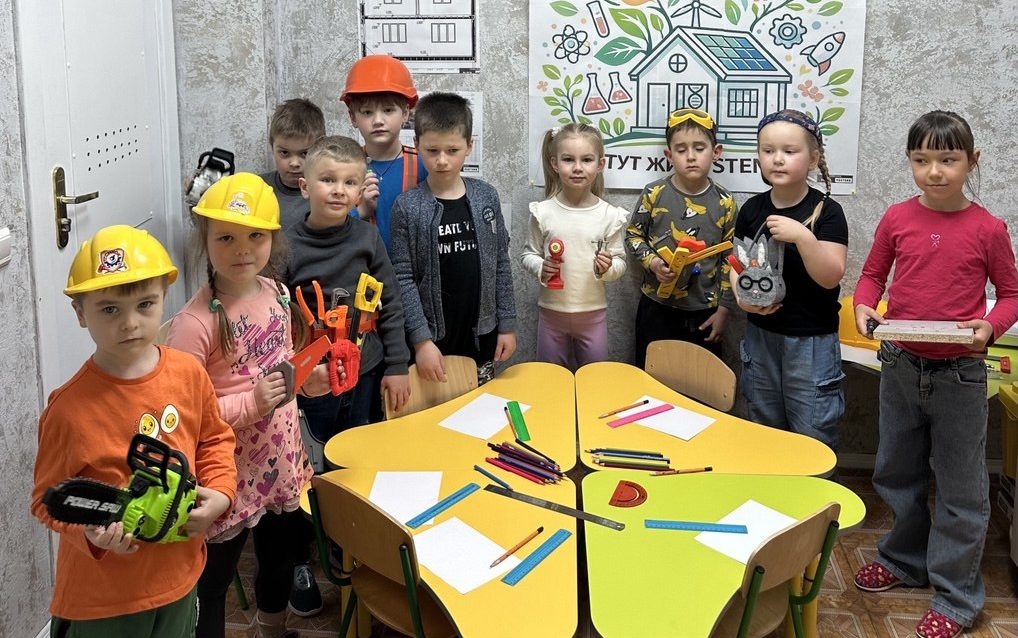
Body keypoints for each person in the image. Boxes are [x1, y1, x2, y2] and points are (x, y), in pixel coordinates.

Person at [852, 110, 1018, 638]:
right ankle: (904, 560)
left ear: (972, 161)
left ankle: (956, 596)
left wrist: (989, 327)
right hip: (900, 366)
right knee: (895, 471)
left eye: (948, 159)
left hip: (961, 375)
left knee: (961, 489)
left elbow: (1011, 295)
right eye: (922, 160)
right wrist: (863, 306)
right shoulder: (897, 217)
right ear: (909, 161)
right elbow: (872, 276)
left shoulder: (988, 228)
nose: (935, 171)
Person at [30, 225, 237, 637]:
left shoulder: (188, 373)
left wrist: (221, 492)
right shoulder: (68, 410)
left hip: (179, 575)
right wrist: (91, 534)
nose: (130, 323)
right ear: (80, 313)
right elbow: (45, 501)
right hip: (105, 598)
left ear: (164, 296)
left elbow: (214, 439)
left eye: (145, 304)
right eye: (109, 309)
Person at [167, 174, 332, 637]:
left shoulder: (277, 293)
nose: (242, 250)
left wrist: (306, 385)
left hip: (280, 462)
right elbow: (182, 416)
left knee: (279, 559)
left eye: (255, 236)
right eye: (226, 238)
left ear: (273, 240)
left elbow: (283, 372)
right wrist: (251, 403)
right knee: (213, 581)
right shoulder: (193, 324)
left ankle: (271, 629)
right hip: (225, 475)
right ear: (204, 241)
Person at [732, 109, 848, 451]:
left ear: (813, 159)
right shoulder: (752, 210)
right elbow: (737, 264)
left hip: (811, 343)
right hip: (761, 338)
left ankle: (816, 488)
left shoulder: (827, 212)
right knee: (764, 432)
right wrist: (741, 298)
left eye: (789, 151)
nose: (777, 159)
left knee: (813, 436)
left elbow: (831, 277)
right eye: (768, 151)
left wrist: (803, 237)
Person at [284, 135, 411, 434]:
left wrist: (397, 366)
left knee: (361, 445)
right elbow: (273, 318)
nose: (339, 190)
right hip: (312, 376)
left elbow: (391, 303)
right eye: (328, 180)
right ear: (305, 187)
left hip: (366, 369)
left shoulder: (368, 238)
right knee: (316, 448)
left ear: (359, 193)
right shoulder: (284, 246)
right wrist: (294, 372)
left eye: (350, 182)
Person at [390, 92, 516, 383]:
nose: (442, 160)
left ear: (469, 146)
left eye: (452, 150)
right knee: (437, 406)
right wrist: (421, 341)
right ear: (417, 144)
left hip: (482, 334)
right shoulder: (407, 207)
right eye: (432, 150)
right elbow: (403, 278)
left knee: (480, 403)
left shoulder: (486, 197)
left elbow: (500, 262)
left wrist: (507, 324)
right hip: (432, 340)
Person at [626, 108, 738, 367]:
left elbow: (730, 258)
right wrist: (654, 263)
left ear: (716, 152)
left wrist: (724, 310)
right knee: (650, 379)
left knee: (701, 383)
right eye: (681, 149)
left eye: (699, 148)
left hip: (705, 313)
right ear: (669, 155)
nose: (691, 156)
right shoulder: (654, 193)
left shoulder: (725, 202)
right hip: (656, 307)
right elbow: (633, 235)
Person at [521, 122, 626, 369]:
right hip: (551, 315)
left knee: (596, 378)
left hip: (593, 316)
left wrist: (607, 269)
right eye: (568, 159)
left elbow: (620, 263)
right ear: (554, 164)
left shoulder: (610, 215)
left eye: (587, 160)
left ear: (600, 164)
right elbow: (528, 254)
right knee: (550, 377)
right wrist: (541, 267)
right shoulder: (542, 212)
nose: (577, 168)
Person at [341, 54, 427, 250]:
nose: (378, 120)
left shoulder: (424, 166)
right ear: (353, 117)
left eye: (388, 110)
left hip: (412, 269)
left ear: (405, 113)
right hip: (359, 267)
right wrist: (360, 212)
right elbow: (328, 225)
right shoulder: (343, 167)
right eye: (367, 112)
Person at [260, 98, 326, 230]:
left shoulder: (329, 192)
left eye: (304, 153)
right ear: (272, 147)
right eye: (284, 153)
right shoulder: (257, 188)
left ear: (321, 149)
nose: (294, 163)